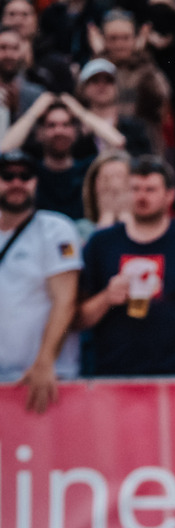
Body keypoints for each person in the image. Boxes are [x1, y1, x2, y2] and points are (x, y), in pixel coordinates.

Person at [77, 155, 175, 377]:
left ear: (170, 195)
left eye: (150, 190)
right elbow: (77, 318)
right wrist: (107, 297)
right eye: (135, 189)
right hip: (115, 376)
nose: (141, 197)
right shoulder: (101, 243)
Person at [0, 149, 81, 413]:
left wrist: (45, 362)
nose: (16, 183)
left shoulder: (56, 229)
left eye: (25, 176)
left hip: (49, 378)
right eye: (7, 175)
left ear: (36, 181)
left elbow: (65, 300)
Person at [1, 95, 123, 220]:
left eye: (66, 125)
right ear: (39, 133)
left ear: (76, 132)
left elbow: (118, 143)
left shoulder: (88, 168)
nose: (59, 131)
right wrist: (34, 112)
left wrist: (80, 112)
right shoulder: (29, 172)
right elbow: (4, 150)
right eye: (51, 125)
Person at [90, 9, 172, 156]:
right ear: (103, 40)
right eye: (113, 38)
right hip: (102, 147)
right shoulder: (95, 69)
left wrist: (141, 57)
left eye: (125, 38)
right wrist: (100, 57)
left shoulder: (145, 67)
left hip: (145, 147)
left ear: (135, 39)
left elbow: (161, 94)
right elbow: (83, 96)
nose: (119, 44)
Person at [73, 58, 151, 158]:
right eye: (95, 80)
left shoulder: (134, 126)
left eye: (108, 80)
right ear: (83, 88)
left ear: (117, 87)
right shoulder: (74, 127)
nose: (101, 85)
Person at [80, 149, 131, 233]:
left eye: (121, 177)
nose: (114, 186)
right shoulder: (81, 229)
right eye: (106, 179)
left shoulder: (152, 227)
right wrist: (106, 217)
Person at [0, 26, 43, 124]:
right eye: (3, 47)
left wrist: (16, 111)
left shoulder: (36, 94)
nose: (9, 54)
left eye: (15, 48)